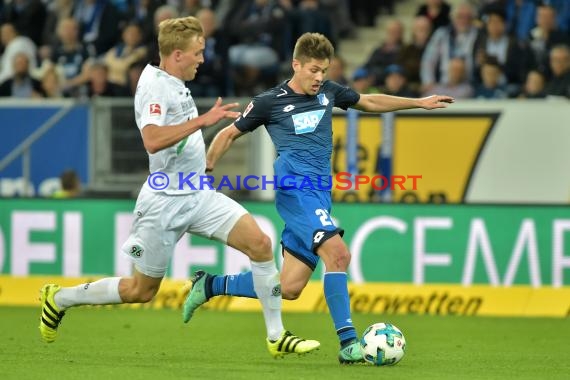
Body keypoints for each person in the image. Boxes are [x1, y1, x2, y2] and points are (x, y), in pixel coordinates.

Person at [38, 16, 319, 358]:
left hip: (196, 192)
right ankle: (60, 298)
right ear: (176, 55)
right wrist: (202, 120)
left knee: (260, 244)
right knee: (140, 291)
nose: (202, 59)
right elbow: (152, 140)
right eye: (197, 53)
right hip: (164, 201)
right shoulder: (155, 87)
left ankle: (276, 336)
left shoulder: (174, 80)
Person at [182, 32, 454, 364]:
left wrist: (418, 103)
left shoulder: (328, 92)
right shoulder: (270, 101)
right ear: (296, 64)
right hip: (296, 189)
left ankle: (209, 285)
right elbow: (228, 134)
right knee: (338, 256)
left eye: (323, 70)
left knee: (290, 286)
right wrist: (208, 167)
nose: (319, 77)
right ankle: (349, 343)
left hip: (320, 194)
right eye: (313, 70)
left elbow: (368, 101)